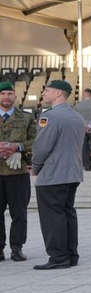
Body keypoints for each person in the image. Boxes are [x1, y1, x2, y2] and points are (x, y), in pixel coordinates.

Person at [29, 79, 86, 270]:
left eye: (47, 90)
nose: (43, 93)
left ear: (58, 94)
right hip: (73, 172)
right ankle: (71, 254)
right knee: (67, 213)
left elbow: (42, 146)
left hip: (53, 173)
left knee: (52, 216)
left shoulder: (50, 117)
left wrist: (35, 167)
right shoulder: (77, 116)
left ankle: (58, 257)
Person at [0, 80, 36, 262]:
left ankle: (17, 248)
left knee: (19, 212)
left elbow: (36, 142)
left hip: (18, 173)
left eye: (9, 93)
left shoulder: (27, 118)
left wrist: (17, 147)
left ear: (15, 96)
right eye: (3, 94)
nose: (6, 97)